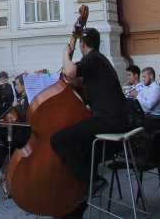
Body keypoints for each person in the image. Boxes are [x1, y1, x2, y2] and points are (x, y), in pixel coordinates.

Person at [50, 28, 129, 203]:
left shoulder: (92, 59)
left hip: (109, 120)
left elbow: (70, 72)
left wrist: (66, 53)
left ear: (82, 44)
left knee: (57, 140)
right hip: (116, 118)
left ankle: (94, 181)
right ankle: (84, 190)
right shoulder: (101, 60)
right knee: (84, 145)